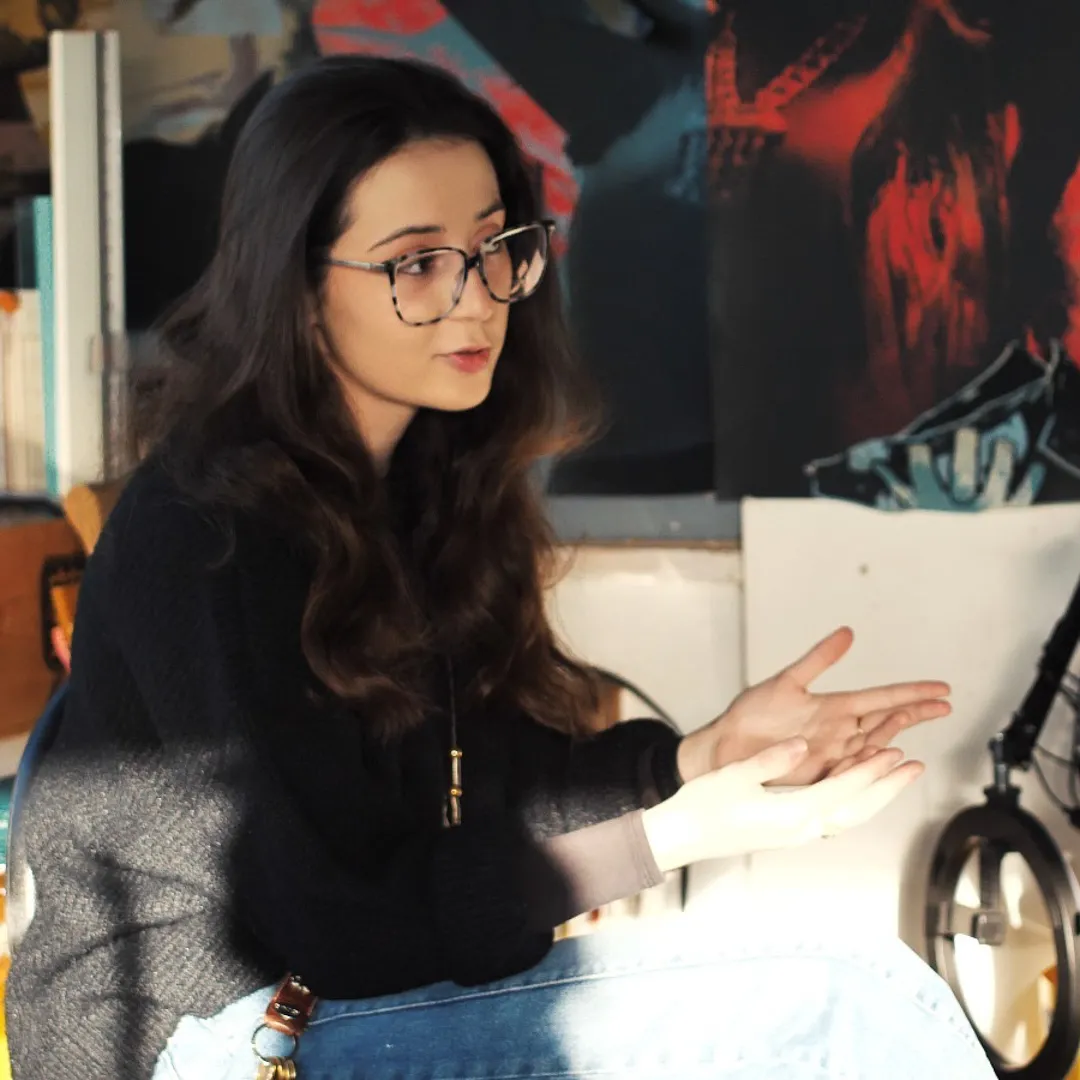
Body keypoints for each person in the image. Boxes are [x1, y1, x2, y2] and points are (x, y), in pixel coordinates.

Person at [5, 56, 994, 1080]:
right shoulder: (205, 532)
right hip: (194, 1043)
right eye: (415, 264)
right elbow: (337, 920)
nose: (476, 300)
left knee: (861, 991)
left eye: (493, 249)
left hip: (330, 1005)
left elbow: (503, 797)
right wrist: (667, 837)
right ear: (297, 291)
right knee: (846, 1004)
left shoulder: (423, 494)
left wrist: (697, 761)